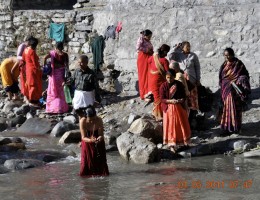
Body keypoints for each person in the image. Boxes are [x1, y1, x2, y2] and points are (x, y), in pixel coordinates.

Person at [219, 47, 250, 135]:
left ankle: (236, 127)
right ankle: (227, 128)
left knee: (235, 109)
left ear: (232, 55)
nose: (227, 57)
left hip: (235, 91)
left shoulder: (238, 64)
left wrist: (238, 80)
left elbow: (245, 75)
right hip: (226, 90)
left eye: (228, 55)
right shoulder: (224, 65)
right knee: (226, 109)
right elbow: (222, 78)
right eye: (225, 56)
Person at [169, 41, 201, 125]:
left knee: (193, 99)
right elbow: (170, 55)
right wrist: (176, 48)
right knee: (185, 98)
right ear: (182, 48)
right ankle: (184, 118)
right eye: (187, 47)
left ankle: (192, 118)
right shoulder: (178, 55)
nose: (188, 48)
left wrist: (198, 79)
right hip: (182, 80)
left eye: (189, 46)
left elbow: (197, 68)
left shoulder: (193, 56)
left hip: (192, 80)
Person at [159, 69, 191, 152]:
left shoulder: (179, 84)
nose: (169, 80)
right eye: (168, 78)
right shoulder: (163, 86)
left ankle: (184, 142)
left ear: (174, 77)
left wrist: (179, 100)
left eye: (171, 78)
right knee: (171, 126)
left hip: (179, 108)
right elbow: (162, 99)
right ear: (165, 77)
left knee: (181, 125)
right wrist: (170, 101)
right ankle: (171, 145)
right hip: (169, 109)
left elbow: (184, 97)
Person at [78, 105, 109, 177]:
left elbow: (101, 134)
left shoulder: (99, 120)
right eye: (90, 119)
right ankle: (86, 177)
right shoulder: (82, 121)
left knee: (101, 160)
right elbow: (83, 137)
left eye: (93, 119)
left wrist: (100, 138)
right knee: (86, 161)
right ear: (86, 117)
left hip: (98, 142)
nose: (92, 121)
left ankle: (102, 175)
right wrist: (91, 140)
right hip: (87, 142)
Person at [43, 42, 69, 114]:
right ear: (62, 47)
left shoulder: (52, 53)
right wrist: (66, 77)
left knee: (52, 91)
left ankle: (52, 108)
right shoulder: (65, 55)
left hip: (53, 75)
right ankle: (61, 107)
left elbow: (45, 57)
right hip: (61, 74)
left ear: (56, 47)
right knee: (60, 91)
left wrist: (45, 66)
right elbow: (67, 67)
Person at [148, 44, 170, 121]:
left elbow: (148, 62)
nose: (166, 54)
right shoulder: (164, 61)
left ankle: (156, 114)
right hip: (160, 82)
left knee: (156, 97)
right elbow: (168, 72)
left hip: (151, 81)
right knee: (161, 97)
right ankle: (160, 115)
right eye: (166, 52)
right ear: (164, 51)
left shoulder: (151, 58)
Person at [22, 36, 42, 107]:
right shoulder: (32, 51)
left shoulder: (26, 50)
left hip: (27, 69)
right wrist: (40, 70)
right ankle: (33, 101)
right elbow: (35, 63)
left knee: (29, 84)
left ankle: (30, 99)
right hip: (33, 70)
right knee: (34, 85)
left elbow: (23, 60)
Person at [136, 29, 153, 100]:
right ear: (145, 35)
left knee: (148, 75)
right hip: (143, 58)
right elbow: (138, 47)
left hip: (148, 57)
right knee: (143, 76)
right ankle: (143, 94)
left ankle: (149, 93)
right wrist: (147, 50)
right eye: (149, 36)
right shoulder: (141, 39)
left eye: (150, 36)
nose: (150, 38)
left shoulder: (148, 41)